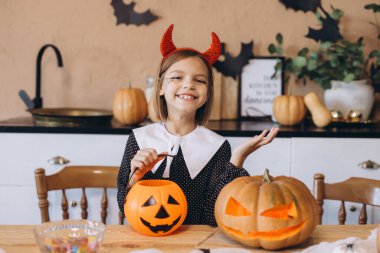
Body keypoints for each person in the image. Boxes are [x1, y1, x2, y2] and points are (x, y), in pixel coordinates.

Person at [117, 24, 278, 225]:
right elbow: (125, 208)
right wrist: (136, 176)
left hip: (195, 241)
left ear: (208, 92)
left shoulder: (217, 147)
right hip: (149, 241)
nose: (188, 85)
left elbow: (213, 215)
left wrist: (237, 158)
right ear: (160, 87)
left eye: (199, 80)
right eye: (177, 77)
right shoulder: (139, 139)